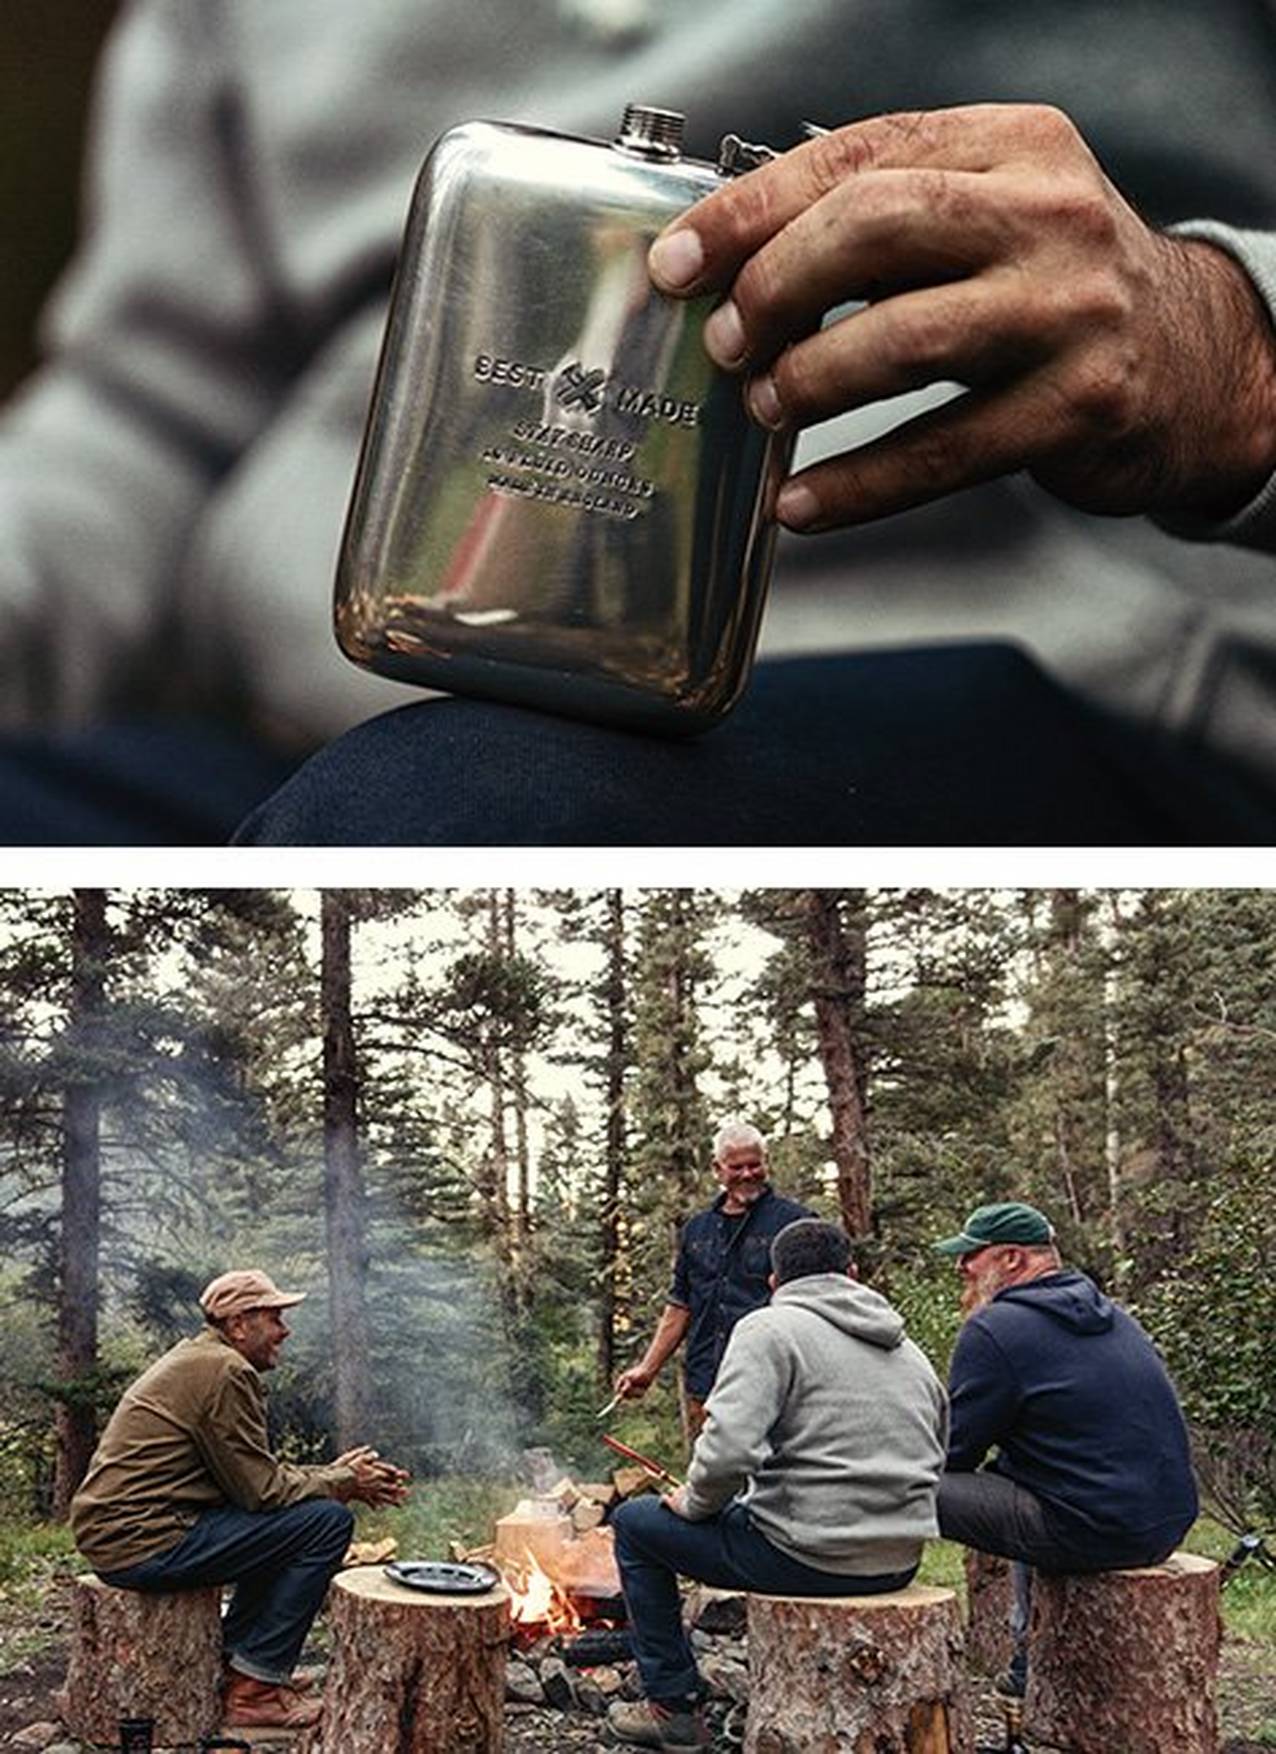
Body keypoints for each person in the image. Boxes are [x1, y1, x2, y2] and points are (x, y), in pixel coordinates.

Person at [11, 2, 1276, 843]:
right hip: (309, 740)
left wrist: (1232, 352)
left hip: (1044, 715)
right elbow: (154, 407)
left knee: (446, 821)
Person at [607, 1218, 947, 1750]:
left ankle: (673, 1709)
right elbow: (937, 1445)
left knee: (634, 1525)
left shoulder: (769, 1329)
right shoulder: (910, 1352)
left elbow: (729, 1451)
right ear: (853, 1274)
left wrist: (691, 1503)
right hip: (899, 1559)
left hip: (809, 1555)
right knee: (724, 1513)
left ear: (773, 1281)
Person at [69, 1269, 410, 1732]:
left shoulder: (203, 1359)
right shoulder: (226, 1371)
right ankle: (255, 1691)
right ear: (238, 1325)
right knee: (326, 1523)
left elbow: (251, 1480)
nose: (284, 1330)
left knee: (297, 1521)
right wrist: (342, 1483)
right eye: (274, 1318)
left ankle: (241, 1663)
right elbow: (262, 1492)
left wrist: (335, 1474)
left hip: (125, 1534)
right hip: (143, 1542)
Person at [933, 1200, 1198, 1695]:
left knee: (907, 1482)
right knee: (1025, 1487)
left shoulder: (994, 1330)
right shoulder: (1116, 1318)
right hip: (1164, 1522)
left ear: (1011, 1259)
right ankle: (1022, 1668)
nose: (961, 1267)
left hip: (1091, 1530)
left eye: (972, 1255)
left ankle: (845, 1571)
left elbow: (950, 1455)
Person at [612, 1122, 812, 1433]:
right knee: (710, 1473)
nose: (748, 1174)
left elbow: (817, 1299)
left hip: (772, 1382)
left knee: (771, 1473)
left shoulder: (796, 1224)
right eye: (737, 1167)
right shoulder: (696, 1231)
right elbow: (680, 1305)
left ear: (766, 1163)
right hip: (707, 1383)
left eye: (754, 1164)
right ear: (717, 1170)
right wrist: (647, 1369)